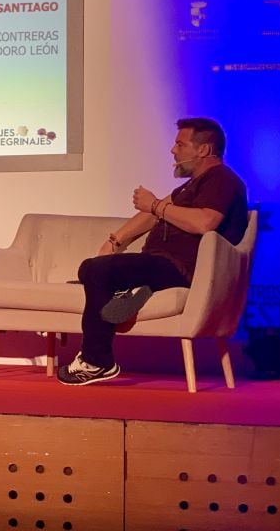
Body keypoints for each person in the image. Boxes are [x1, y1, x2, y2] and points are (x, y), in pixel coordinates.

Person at [55, 117, 249, 386]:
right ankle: (132, 289)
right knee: (95, 267)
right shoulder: (189, 187)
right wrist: (113, 243)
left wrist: (156, 205)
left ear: (203, 150)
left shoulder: (221, 179)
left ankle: (97, 360)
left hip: (181, 268)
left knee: (94, 271)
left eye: (180, 145)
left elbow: (205, 222)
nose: (173, 151)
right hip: (160, 265)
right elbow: (150, 215)